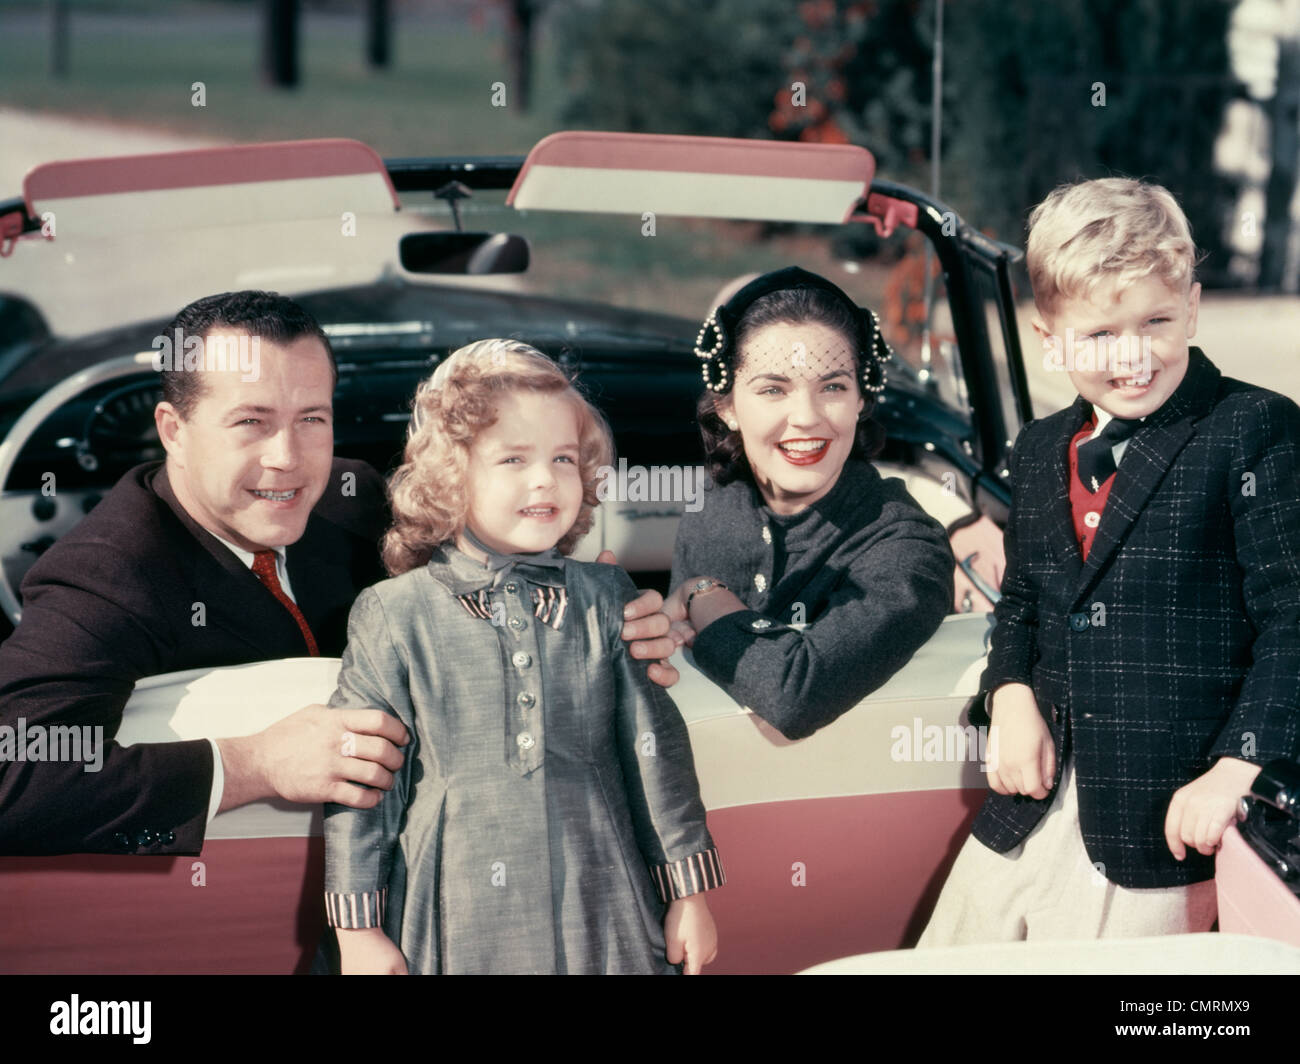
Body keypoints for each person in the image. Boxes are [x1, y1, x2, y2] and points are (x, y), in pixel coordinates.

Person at [0, 291, 678, 857]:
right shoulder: (106, 575)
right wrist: (252, 764)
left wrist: (608, 616)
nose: (288, 460)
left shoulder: (353, 501)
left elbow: (476, 592)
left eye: (312, 419)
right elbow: (14, 776)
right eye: (251, 423)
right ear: (173, 430)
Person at [919, 178, 1300, 944]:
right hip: (1030, 804)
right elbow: (1023, 601)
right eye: (1097, 335)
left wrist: (1235, 771)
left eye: (1156, 320)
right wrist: (1011, 693)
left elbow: (1292, 623)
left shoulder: (1253, 430)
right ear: (1048, 338)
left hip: (1168, 814)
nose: (1131, 356)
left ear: (1192, 306)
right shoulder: (1035, 449)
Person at [323, 340, 722, 975]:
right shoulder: (393, 613)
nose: (545, 479)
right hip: (452, 906)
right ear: (451, 476)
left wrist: (689, 894)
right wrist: (358, 931)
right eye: (513, 458)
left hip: (604, 895)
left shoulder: (607, 596)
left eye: (564, 458)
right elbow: (365, 785)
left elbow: (655, 755)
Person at [665, 267, 954, 740]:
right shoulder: (713, 504)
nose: (805, 418)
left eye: (833, 387)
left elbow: (794, 695)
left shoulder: (908, 547)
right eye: (773, 389)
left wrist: (703, 595)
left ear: (861, 399)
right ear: (727, 407)